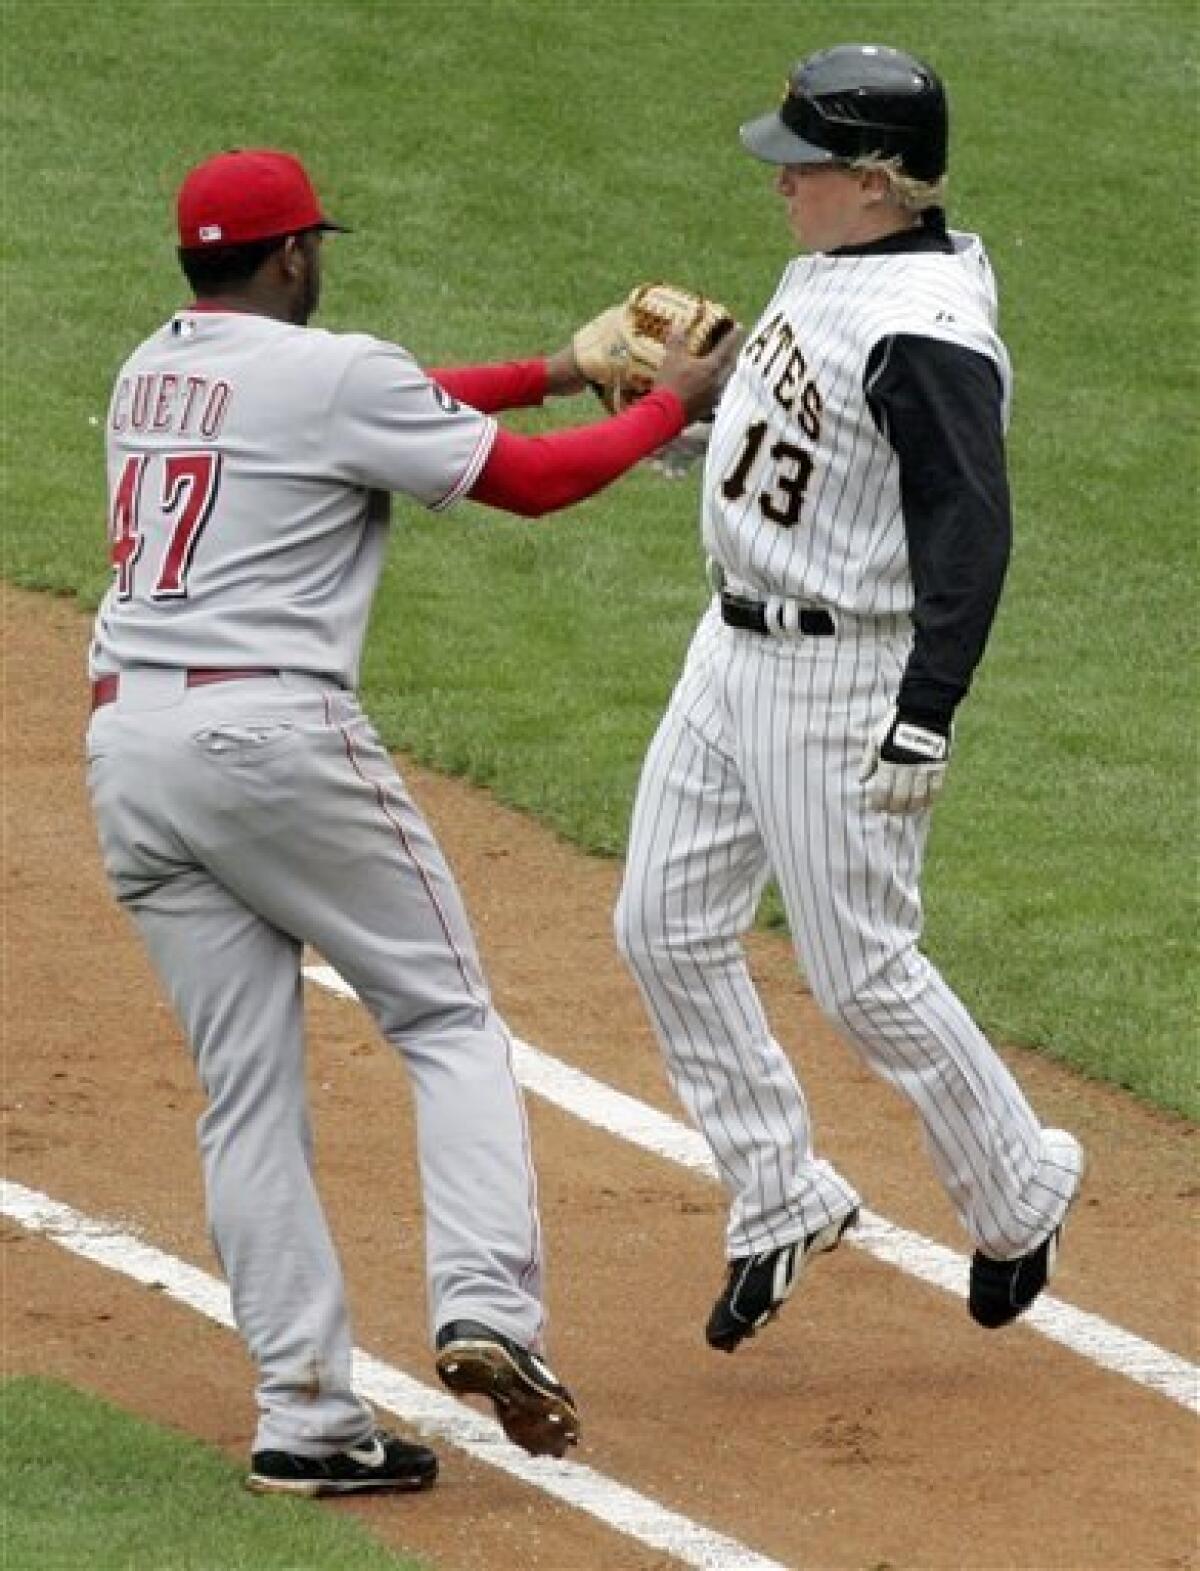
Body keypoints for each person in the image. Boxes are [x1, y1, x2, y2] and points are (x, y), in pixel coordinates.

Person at [85, 147, 736, 1493]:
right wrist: (662, 407)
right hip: (271, 742)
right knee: (445, 1021)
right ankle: (489, 1309)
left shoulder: (151, 367)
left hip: (131, 753)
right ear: (288, 258)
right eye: (313, 243)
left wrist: (560, 370)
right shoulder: (328, 372)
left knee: (247, 1098)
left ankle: (306, 1421)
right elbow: (536, 483)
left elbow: (398, 406)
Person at [614, 44, 1085, 1354]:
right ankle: (780, 1193)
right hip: (734, 650)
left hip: (842, 675)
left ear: (875, 183)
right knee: (662, 922)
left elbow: (970, 527)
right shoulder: (842, 264)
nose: (782, 183)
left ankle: (1020, 1188)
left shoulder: (927, 333)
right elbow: (820, 455)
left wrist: (927, 707)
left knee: (862, 974)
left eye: (803, 165)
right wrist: (679, 424)